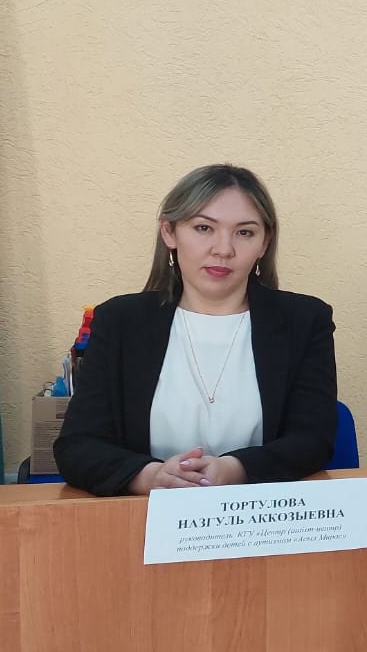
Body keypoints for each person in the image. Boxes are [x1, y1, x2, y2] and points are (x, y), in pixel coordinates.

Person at [55, 164, 337, 496]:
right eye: (204, 228)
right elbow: (77, 446)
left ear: (265, 242)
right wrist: (151, 477)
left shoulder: (304, 320)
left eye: (245, 233)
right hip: (144, 514)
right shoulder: (120, 321)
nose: (224, 249)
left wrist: (235, 470)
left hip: (261, 514)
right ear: (169, 232)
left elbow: (313, 440)